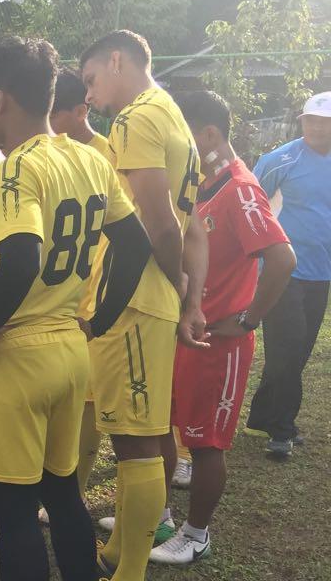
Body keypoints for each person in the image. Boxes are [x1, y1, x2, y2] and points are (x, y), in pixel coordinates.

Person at [0, 37, 150, 581]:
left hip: (14, 356)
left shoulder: (18, 167)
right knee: (63, 494)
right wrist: (101, 319)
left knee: (14, 512)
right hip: (70, 348)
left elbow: (21, 258)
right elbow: (135, 245)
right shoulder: (88, 156)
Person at [148, 90, 295, 565]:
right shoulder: (201, 184)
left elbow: (281, 257)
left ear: (207, 133)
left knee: (205, 443)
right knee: (170, 429)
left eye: (183, 134)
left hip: (218, 342)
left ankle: (196, 534)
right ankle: (160, 517)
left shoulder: (240, 188)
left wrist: (249, 318)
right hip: (185, 332)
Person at [80, 30, 205, 579]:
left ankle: (129, 569)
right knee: (143, 434)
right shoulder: (175, 116)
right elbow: (194, 227)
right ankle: (117, 555)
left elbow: (160, 223)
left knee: (135, 443)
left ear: (116, 60)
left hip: (133, 297)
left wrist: (175, 288)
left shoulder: (135, 118)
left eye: (89, 80)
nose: (88, 95)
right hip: (151, 298)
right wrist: (190, 297)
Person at [245, 91, 331, 457]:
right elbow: (247, 206)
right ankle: (282, 430)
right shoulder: (280, 159)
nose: (315, 127)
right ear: (302, 121)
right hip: (281, 272)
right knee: (288, 346)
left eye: (323, 122)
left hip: (321, 272)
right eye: (309, 119)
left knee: (298, 350)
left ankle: (264, 415)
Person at [49, 68, 112, 498]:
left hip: (93, 295)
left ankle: (74, 485)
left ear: (80, 111)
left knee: (87, 399)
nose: (49, 121)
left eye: (57, 113)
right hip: (54, 294)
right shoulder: (46, 152)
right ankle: (49, 474)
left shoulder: (109, 155)